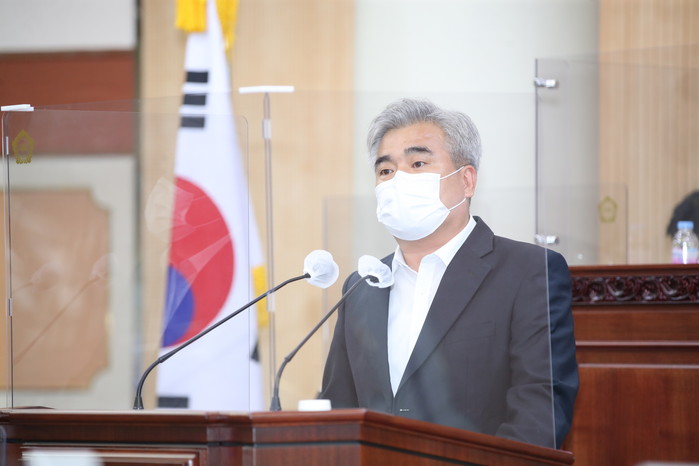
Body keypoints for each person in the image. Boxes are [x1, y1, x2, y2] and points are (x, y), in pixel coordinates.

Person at [320, 98, 578, 449]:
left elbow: (540, 411)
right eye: (386, 171)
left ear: (467, 181)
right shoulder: (362, 287)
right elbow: (338, 407)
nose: (397, 181)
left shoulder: (528, 272)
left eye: (418, 164)